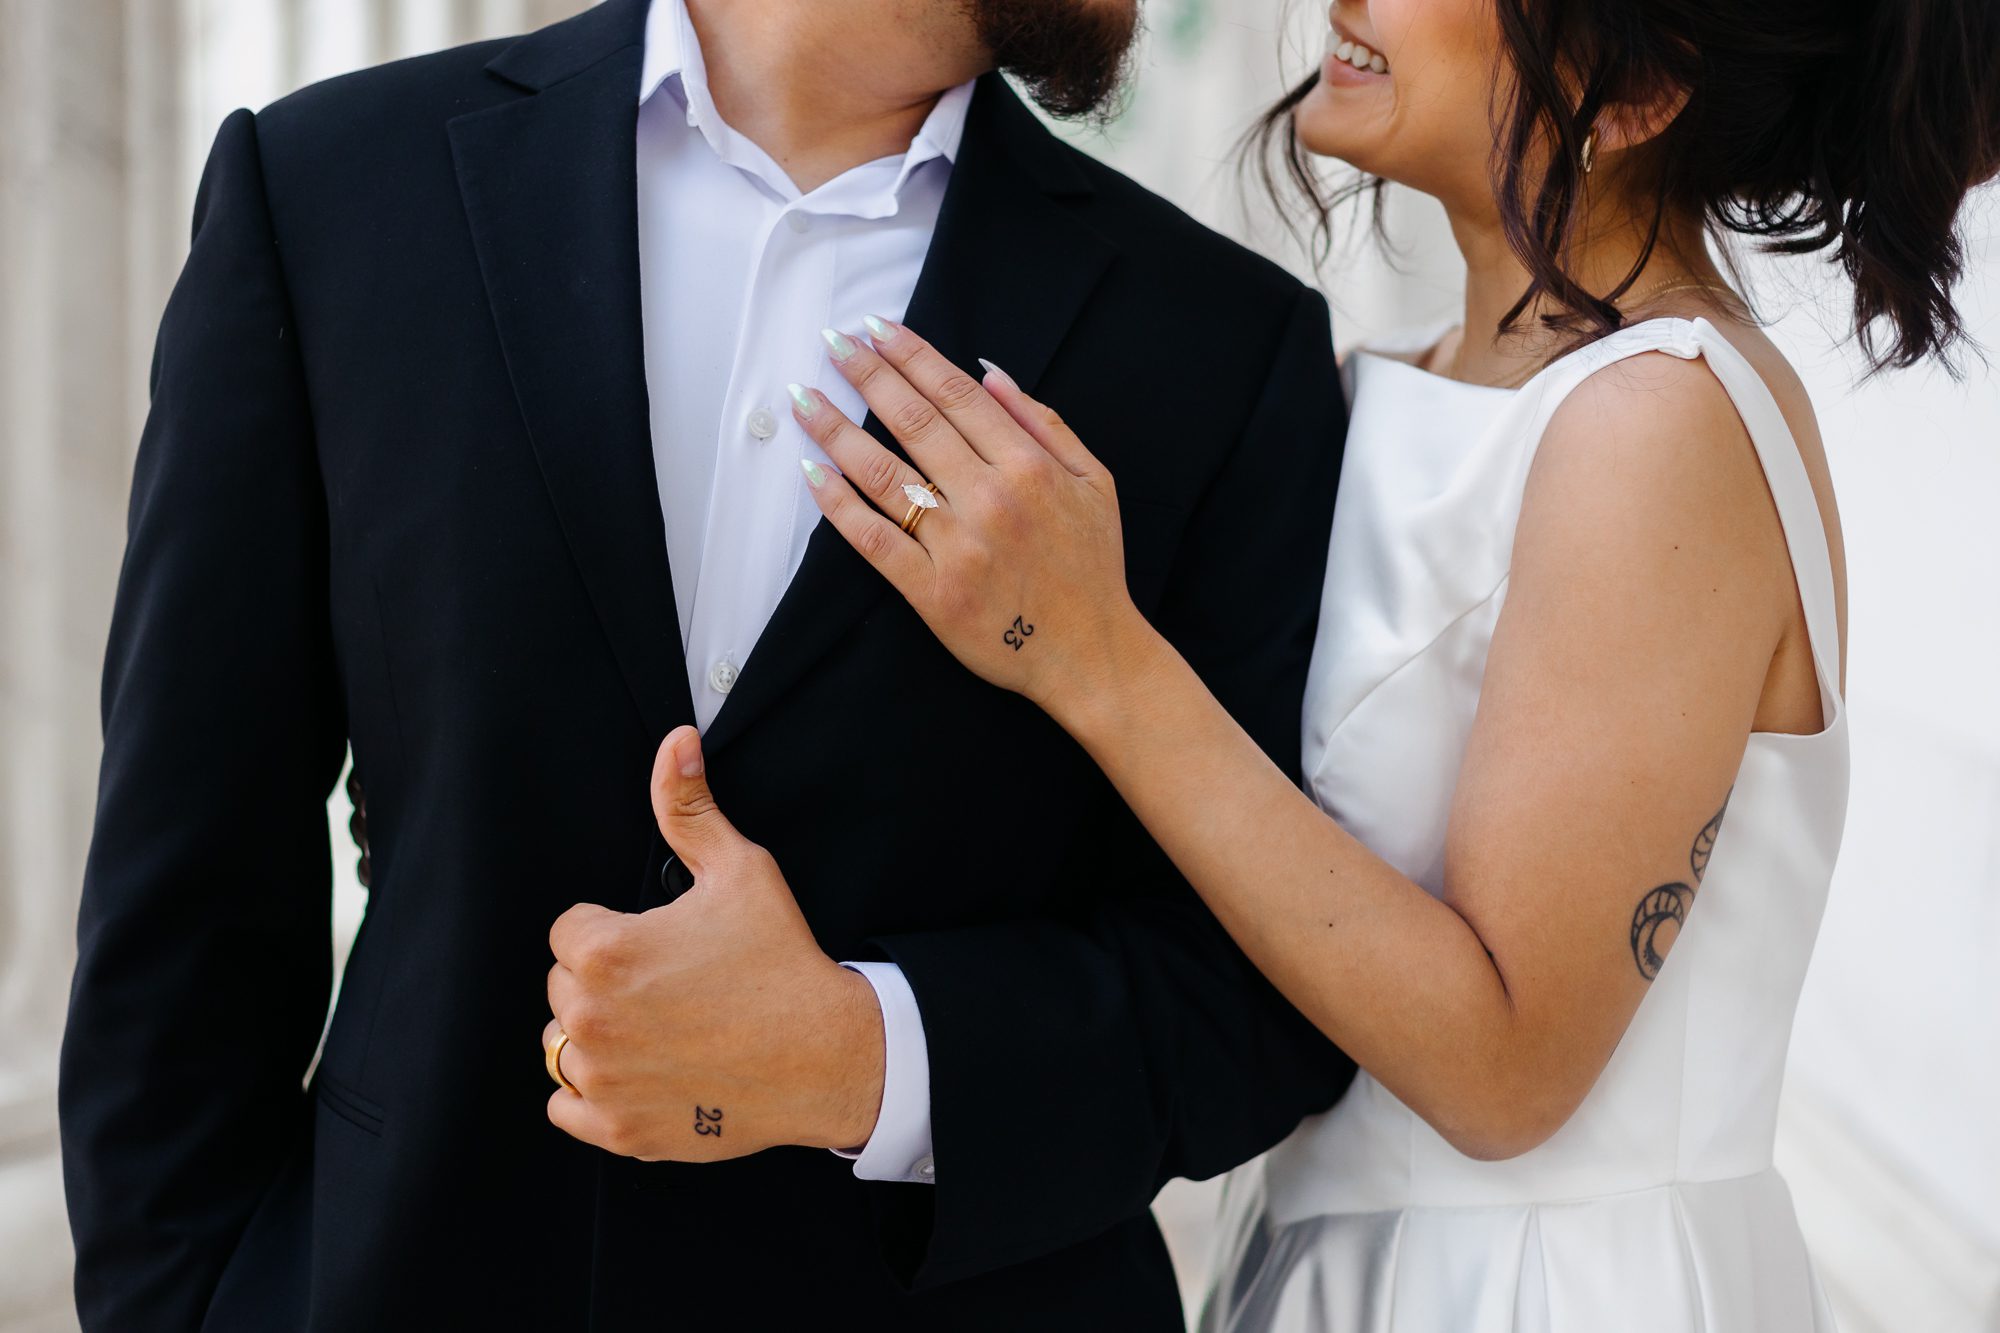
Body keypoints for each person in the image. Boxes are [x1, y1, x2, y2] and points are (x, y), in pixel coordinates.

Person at [57, 0, 1361, 1327]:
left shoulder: (1224, 347)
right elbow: (184, 901)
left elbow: (1259, 1003)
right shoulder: (333, 191)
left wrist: (868, 1059)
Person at [792, 0, 2000, 1328]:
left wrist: (1095, 655)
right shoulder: (1393, 385)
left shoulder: (1658, 423)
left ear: (1636, 88)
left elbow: (1504, 1066)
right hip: (1338, 1262)